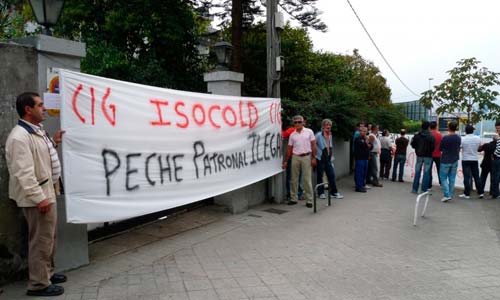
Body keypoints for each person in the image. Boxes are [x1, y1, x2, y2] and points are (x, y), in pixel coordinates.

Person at [5, 92, 66, 296]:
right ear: (28, 109)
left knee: (49, 237)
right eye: (40, 105)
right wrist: (40, 198)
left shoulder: (36, 131)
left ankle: (46, 272)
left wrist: (54, 142)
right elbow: (24, 173)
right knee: (40, 240)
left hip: (47, 191)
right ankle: (39, 284)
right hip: (38, 197)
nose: (44, 108)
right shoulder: (19, 137)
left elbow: (42, 155)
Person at [282, 115, 317, 207]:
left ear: (303, 123)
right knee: (294, 179)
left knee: (306, 179)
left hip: (306, 156)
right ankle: (294, 198)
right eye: (295, 122)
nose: (297, 124)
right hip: (295, 157)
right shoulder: (292, 135)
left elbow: (313, 145)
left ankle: (309, 200)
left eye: (299, 122)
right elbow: (289, 149)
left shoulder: (309, 132)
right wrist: (286, 161)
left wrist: (314, 158)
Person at [315, 119, 344, 199]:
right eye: (326, 125)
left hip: (328, 158)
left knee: (331, 175)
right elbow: (313, 145)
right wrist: (314, 157)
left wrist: (331, 157)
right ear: (323, 126)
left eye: (329, 125)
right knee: (320, 176)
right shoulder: (318, 135)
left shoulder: (330, 135)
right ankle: (320, 193)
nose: (328, 126)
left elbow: (329, 146)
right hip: (320, 158)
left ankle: (334, 192)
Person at [459, 125, 484, 199]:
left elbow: (460, 147)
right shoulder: (478, 138)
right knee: (476, 176)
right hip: (474, 159)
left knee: (466, 177)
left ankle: (467, 194)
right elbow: (479, 147)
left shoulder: (462, 139)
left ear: (466, 131)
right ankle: (481, 192)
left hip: (466, 159)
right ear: (473, 131)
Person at [410, 121, 435, 194]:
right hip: (428, 156)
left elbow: (413, 144)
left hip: (419, 155)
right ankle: (423, 190)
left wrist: (417, 149)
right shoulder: (431, 136)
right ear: (428, 127)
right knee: (426, 173)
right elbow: (433, 147)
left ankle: (414, 189)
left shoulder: (417, 135)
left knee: (417, 172)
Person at [439, 121, 461, 202]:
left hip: (445, 160)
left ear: (448, 128)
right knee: (452, 178)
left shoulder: (445, 138)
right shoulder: (458, 138)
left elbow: (440, 148)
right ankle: (450, 194)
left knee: (443, 178)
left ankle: (447, 195)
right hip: (455, 159)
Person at [282, 123, 303, 200]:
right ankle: (289, 195)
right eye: (297, 122)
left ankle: (299, 194)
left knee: (299, 176)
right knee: (290, 177)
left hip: (301, 157)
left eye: (301, 122)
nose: (300, 123)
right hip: (292, 157)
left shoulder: (306, 132)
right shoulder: (291, 130)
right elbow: (282, 135)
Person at [354, 126, 372, 192]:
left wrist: (367, 143)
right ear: (359, 131)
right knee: (360, 173)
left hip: (365, 158)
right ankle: (358, 187)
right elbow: (364, 145)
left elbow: (371, 146)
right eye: (362, 131)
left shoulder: (366, 139)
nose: (364, 132)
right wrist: (367, 143)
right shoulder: (358, 139)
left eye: (365, 131)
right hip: (360, 159)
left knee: (364, 173)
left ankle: (362, 185)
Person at [429, 121, 443, 186]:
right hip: (438, 154)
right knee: (440, 170)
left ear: (429, 127)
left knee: (429, 170)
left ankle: (429, 184)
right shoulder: (440, 135)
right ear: (436, 126)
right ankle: (441, 183)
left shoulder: (428, 135)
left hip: (430, 154)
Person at [491, 121, 500, 199]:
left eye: (498, 128)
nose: (497, 130)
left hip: (497, 159)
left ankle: (496, 193)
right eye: (496, 128)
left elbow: (498, 149)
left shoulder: (499, 138)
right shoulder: (498, 137)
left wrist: (493, 154)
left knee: (495, 177)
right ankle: (496, 193)